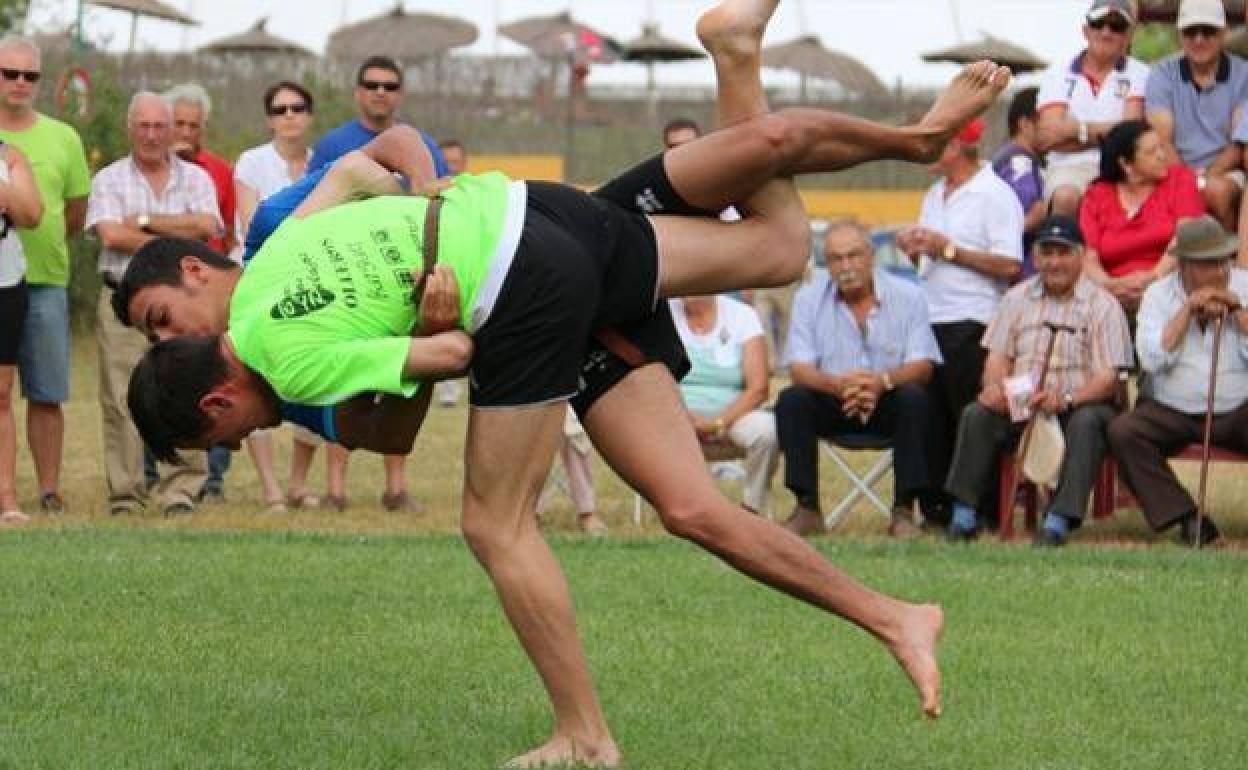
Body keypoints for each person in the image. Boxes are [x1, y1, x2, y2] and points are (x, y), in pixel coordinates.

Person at [117, 3, 1011, 761]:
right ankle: (897, 617)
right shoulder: (274, 257)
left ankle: (585, 737)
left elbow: (442, 358)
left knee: (492, 523)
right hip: (537, 212)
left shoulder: (278, 354)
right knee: (766, 280)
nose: (246, 442)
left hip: (518, 282)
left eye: (160, 321)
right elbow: (358, 193)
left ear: (214, 393)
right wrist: (430, 217)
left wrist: (430, 287)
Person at [308, 55, 450, 513]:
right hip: (350, 275)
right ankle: (334, 488)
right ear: (357, 91)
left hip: (402, 277)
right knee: (345, 378)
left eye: (390, 85)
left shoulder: (423, 145)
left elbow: (441, 204)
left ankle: (396, 486)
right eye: (371, 84)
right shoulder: (334, 144)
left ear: (400, 93)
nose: (380, 92)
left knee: (399, 376)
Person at [943, 215, 1132, 544]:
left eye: (1064, 253)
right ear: (1035, 257)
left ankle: (1059, 519)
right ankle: (964, 515)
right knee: (978, 414)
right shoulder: (1016, 298)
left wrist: (1067, 398)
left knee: (1087, 423)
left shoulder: (1103, 305)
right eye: (1047, 253)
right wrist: (994, 388)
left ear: (1082, 256)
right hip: (1023, 400)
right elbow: (997, 358)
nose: (1054, 262)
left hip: (1079, 403)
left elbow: (1108, 378)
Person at [86, 91, 221, 517]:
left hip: (184, 306)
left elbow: (207, 226)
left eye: (160, 126)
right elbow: (111, 236)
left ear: (172, 130)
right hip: (123, 302)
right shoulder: (108, 179)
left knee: (187, 390)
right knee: (121, 397)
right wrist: (177, 241)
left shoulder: (196, 179)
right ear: (130, 128)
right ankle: (126, 494)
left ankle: (179, 491)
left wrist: (143, 224)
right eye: (143, 126)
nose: (151, 135)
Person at [776, 219, 944, 538]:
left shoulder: (909, 296)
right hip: (833, 400)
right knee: (792, 399)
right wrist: (838, 386)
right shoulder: (808, 298)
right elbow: (799, 368)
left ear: (871, 255)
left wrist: (881, 383)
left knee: (916, 397)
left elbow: (922, 365)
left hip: (888, 402)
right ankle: (807, 506)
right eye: (836, 259)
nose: (846, 266)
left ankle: (904, 509)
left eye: (853, 255)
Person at [896, 117, 1024, 526]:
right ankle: (937, 506)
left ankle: (978, 508)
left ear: (957, 147)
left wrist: (949, 250)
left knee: (969, 416)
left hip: (973, 318)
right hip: (931, 316)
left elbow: (1009, 263)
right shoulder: (934, 194)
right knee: (933, 418)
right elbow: (931, 261)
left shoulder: (996, 194)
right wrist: (915, 249)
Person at [1109, 215, 1248, 547]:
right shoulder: (1158, 296)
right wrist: (1186, 311)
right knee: (1123, 431)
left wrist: (1239, 315)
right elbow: (1153, 360)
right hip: (1171, 410)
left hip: (1236, 409)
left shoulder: (1244, 285)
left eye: (1223, 261)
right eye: (1207, 264)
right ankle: (1188, 519)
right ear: (1184, 265)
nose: (1219, 272)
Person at [0, 35, 90, 515]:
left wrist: (48, 239)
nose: (19, 83)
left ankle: (49, 489)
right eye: (8, 73)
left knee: (46, 391)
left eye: (29, 75)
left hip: (45, 280)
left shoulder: (64, 138)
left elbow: (74, 211)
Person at [235, 80, 317, 512]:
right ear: (269, 118)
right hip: (260, 282)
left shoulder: (322, 163)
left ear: (309, 115)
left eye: (298, 108)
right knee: (256, 383)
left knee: (314, 380)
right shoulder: (251, 163)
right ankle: (270, 489)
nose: (290, 116)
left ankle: (298, 485)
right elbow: (252, 225)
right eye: (281, 109)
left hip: (310, 282)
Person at [162, 83, 240, 504]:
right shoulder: (153, 169)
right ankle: (160, 471)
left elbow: (222, 231)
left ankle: (213, 479)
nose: (186, 132)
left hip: (208, 294)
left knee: (217, 380)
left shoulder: (219, 170)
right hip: (167, 295)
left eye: (194, 125)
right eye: (179, 123)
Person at [1036, 0, 1149, 218]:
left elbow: (1130, 135)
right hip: (1067, 168)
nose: (1106, 32)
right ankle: (1063, 251)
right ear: (1085, 30)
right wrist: (1108, 133)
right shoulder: (1057, 73)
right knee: (1065, 197)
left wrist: (1076, 131)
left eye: (1116, 26)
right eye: (1099, 23)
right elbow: (1047, 138)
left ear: (1127, 35)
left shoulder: (1141, 73)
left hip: (1122, 168)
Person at [1079, 119, 1205, 313]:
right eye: (1151, 152)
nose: (1162, 156)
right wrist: (1111, 286)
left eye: (1160, 148)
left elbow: (1186, 237)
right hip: (1111, 298)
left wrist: (1154, 278)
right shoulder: (1097, 195)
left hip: (1170, 287)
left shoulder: (1180, 179)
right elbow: (1088, 256)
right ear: (1126, 164)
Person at [671, 294, 777, 516]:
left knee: (767, 432)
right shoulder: (664, 316)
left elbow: (758, 388)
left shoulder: (742, 316)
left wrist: (717, 423)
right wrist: (684, 418)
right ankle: (681, 510)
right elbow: (653, 380)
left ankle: (751, 510)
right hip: (677, 416)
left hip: (735, 416)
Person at [1146, 0, 1248, 231]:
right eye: (1191, 31)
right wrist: (1188, 182)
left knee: (1216, 191)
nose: (1199, 39)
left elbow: (1238, 144)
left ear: (1223, 33)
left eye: (1208, 31)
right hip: (1172, 169)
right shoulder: (1161, 73)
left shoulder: (1244, 74)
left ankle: (1228, 258)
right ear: (1180, 35)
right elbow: (1162, 139)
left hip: (1225, 171)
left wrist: (1203, 181)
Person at [0, 141, 43, 524]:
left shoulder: (9, 154)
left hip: (5, 283)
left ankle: (7, 498)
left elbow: (31, 213)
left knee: (1, 395)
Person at [991, 86, 1046, 275]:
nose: (1055, 128)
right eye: (1047, 121)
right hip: (1020, 275)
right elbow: (1027, 215)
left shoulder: (1006, 158)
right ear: (1025, 124)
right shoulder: (1019, 163)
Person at [435, 137, 468, 409]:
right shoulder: (428, 194)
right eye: (447, 164)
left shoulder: (472, 194)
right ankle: (446, 386)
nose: (452, 169)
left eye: (457, 164)